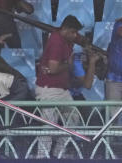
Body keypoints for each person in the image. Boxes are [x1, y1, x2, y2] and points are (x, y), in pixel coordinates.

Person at [35, 15, 84, 158]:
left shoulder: (65, 37)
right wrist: (68, 64)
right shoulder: (57, 41)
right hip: (49, 89)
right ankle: (42, 157)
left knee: (74, 118)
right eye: (73, 32)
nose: (76, 36)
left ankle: (57, 154)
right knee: (49, 126)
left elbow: (79, 38)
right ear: (66, 29)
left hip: (61, 90)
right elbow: (54, 68)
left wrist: (83, 40)